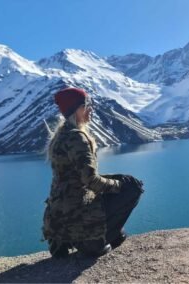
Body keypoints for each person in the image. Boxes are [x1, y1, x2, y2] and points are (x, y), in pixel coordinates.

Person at [42, 87, 144, 258]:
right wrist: (120, 185)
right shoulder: (77, 137)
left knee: (122, 183)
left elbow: (73, 178)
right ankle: (92, 241)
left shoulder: (60, 136)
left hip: (58, 214)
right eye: (87, 105)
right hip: (79, 209)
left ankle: (64, 239)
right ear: (77, 109)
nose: (90, 109)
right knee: (132, 188)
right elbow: (91, 181)